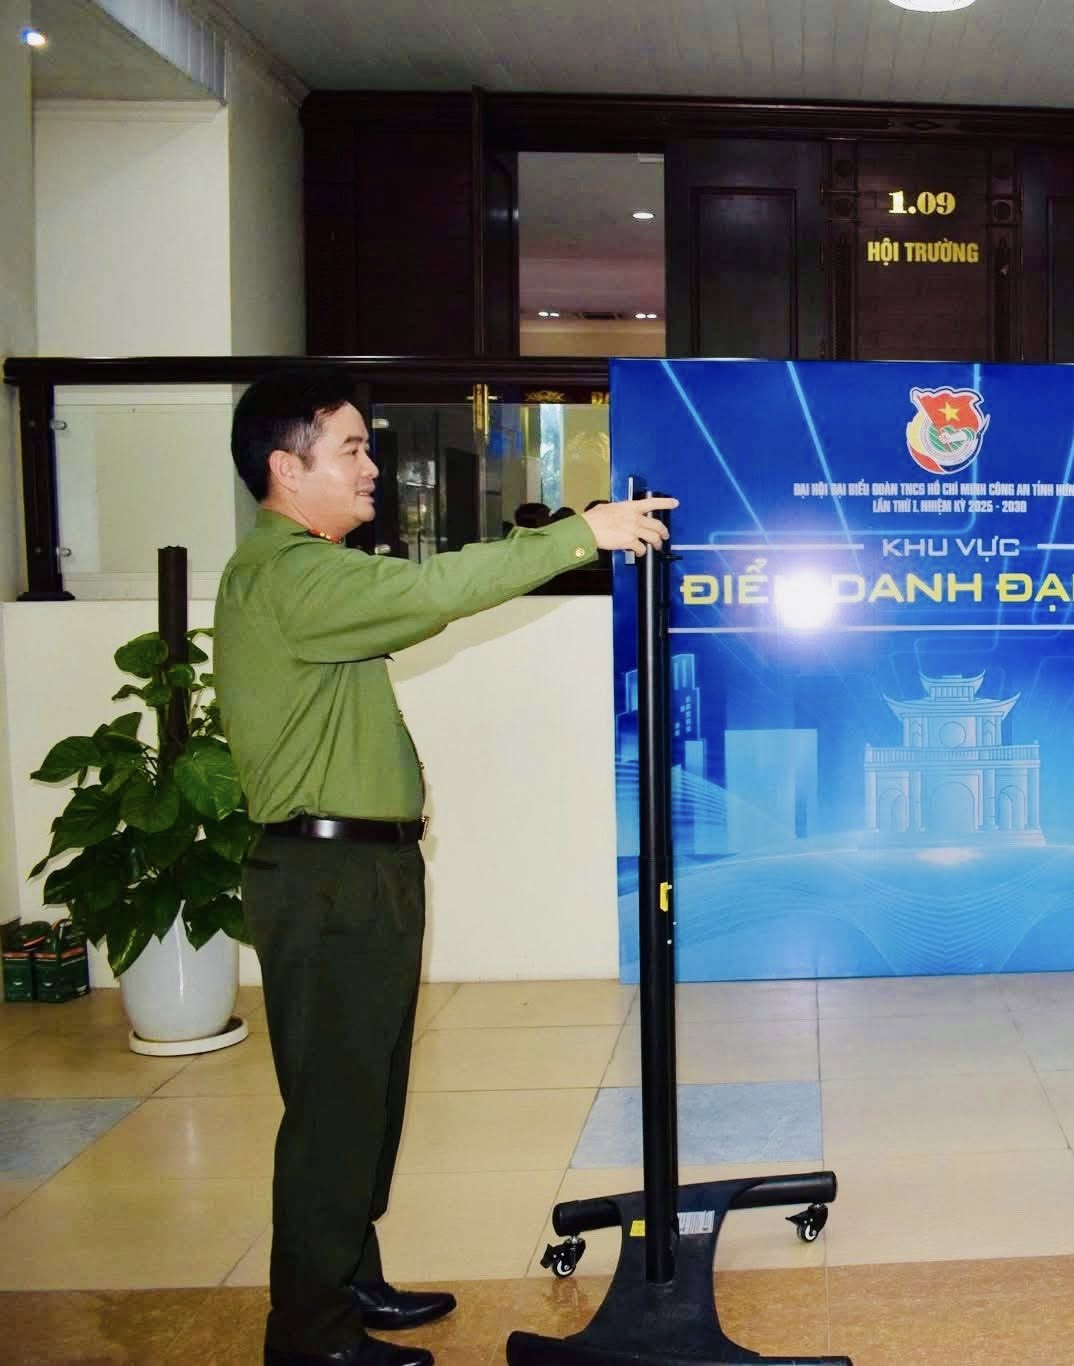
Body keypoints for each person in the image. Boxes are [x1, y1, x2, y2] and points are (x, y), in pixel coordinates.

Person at [215, 367, 675, 1366]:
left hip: (357, 874)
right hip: (328, 881)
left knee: (366, 1096)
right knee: (336, 1110)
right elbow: (430, 592)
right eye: (351, 448)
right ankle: (311, 1334)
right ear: (286, 467)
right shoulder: (291, 576)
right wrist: (577, 535)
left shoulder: (306, 572)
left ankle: (348, 1273)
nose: (372, 467)